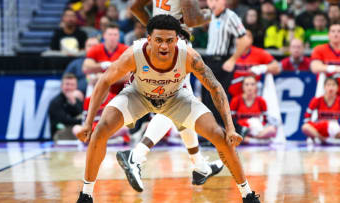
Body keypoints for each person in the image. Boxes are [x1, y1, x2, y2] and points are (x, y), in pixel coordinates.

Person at [75, 15, 260, 203]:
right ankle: (86, 194)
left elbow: (215, 87)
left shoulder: (189, 56)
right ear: (149, 39)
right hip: (139, 95)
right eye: (159, 40)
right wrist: (88, 123)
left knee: (220, 136)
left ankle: (247, 195)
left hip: (175, 97)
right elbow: (104, 81)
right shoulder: (134, 54)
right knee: (100, 131)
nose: (164, 46)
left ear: (178, 40)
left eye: (169, 41)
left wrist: (230, 127)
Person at [128, 0, 223, 188]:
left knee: (182, 105)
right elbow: (192, 18)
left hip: (158, 43)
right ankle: (136, 156)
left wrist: (156, 29)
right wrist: (210, 14)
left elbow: (134, 7)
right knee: (175, 105)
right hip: (174, 44)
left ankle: (199, 165)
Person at [203, 0, 251, 131]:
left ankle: (236, 129)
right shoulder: (210, 15)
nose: (213, 3)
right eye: (210, 0)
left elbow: (244, 39)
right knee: (208, 101)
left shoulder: (231, 17)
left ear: (223, 2)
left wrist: (233, 59)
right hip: (210, 61)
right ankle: (217, 132)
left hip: (222, 62)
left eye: (216, 0)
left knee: (218, 100)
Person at [229, 30, 280, 98]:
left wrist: (261, 68)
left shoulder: (259, 53)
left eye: (246, 36)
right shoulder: (228, 54)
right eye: (239, 37)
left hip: (254, 97)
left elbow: (277, 67)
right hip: (231, 96)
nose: (242, 39)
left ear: (251, 40)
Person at [230, 75, 277, 144]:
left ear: (256, 86)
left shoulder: (261, 101)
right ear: (243, 87)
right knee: (236, 135)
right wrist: (244, 126)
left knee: (272, 130)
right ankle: (259, 141)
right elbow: (231, 120)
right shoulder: (236, 100)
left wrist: (257, 126)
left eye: (252, 84)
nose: (250, 87)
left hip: (257, 129)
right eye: (247, 84)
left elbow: (265, 120)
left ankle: (252, 140)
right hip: (242, 129)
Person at [302, 77, 340, 143]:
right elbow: (307, 117)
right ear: (324, 87)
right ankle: (322, 139)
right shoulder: (317, 100)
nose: (331, 88)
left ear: (337, 88)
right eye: (328, 85)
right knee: (305, 127)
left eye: (333, 85)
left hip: (335, 127)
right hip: (320, 126)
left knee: (335, 128)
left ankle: (332, 139)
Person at [49, 73, 84, 140]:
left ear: (76, 87)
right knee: (76, 129)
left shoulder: (78, 101)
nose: (69, 87)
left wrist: (73, 103)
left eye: (72, 85)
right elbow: (65, 121)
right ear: (62, 86)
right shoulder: (56, 102)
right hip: (60, 133)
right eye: (67, 84)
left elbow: (83, 117)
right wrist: (78, 120)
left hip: (77, 131)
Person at [310, 20, 340, 95]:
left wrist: (326, 68)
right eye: (333, 31)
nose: (336, 34)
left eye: (339, 31)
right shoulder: (319, 49)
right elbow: (315, 67)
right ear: (328, 34)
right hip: (325, 91)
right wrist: (335, 68)